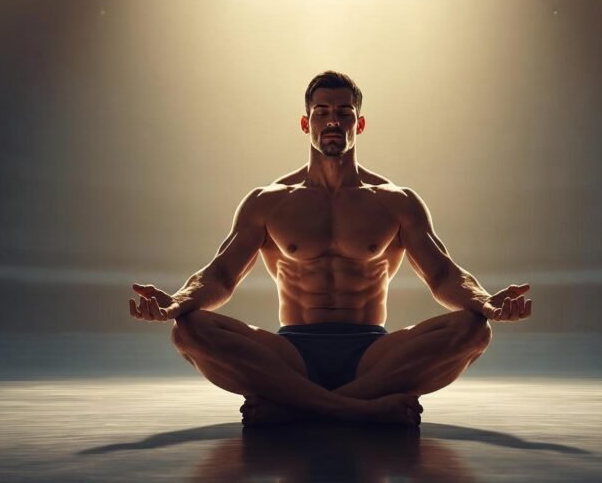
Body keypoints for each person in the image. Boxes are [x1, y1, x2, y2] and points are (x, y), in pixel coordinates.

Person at [129, 70, 533, 426]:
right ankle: (359, 410)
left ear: (361, 123)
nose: (333, 120)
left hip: (373, 354)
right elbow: (219, 275)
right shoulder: (268, 201)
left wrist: (487, 302)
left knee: (472, 328)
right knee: (190, 329)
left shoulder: (395, 201)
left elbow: (443, 275)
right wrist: (175, 302)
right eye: (322, 112)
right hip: (291, 354)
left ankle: (300, 408)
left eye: (343, 112)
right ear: (306, 123)